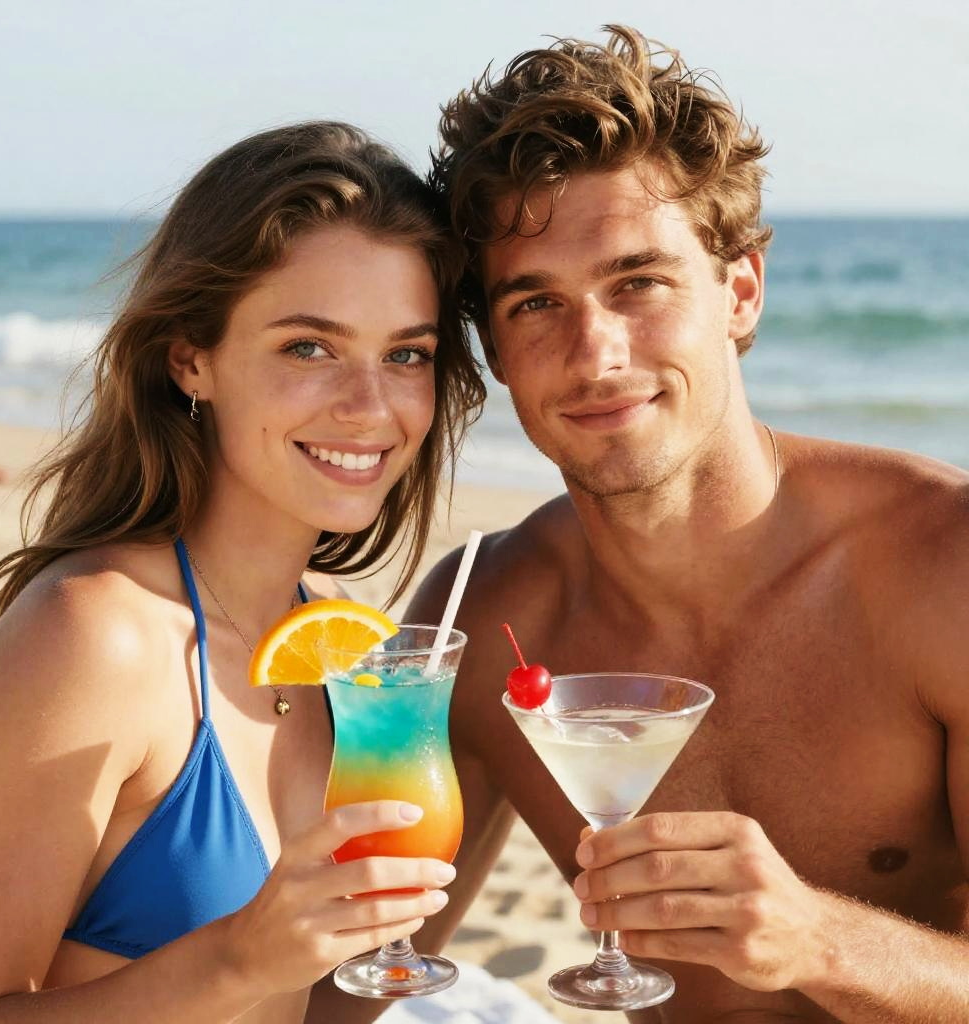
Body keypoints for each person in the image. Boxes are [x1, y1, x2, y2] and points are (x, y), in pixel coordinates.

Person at [398, 25, 968, 1024]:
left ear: (739, 291)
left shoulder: (940, 567)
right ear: (494, 349)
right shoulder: (484, 620)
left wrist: (818, 939)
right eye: (536, 304)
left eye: (638, 283)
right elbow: (365, 976)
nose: (596, 352)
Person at [0, 122, 485, 1023]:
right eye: (309, 347)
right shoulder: (94, 638)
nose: (370, 407)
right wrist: (237, 959)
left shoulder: (340, 642)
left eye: (406, 354)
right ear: (191, 357)